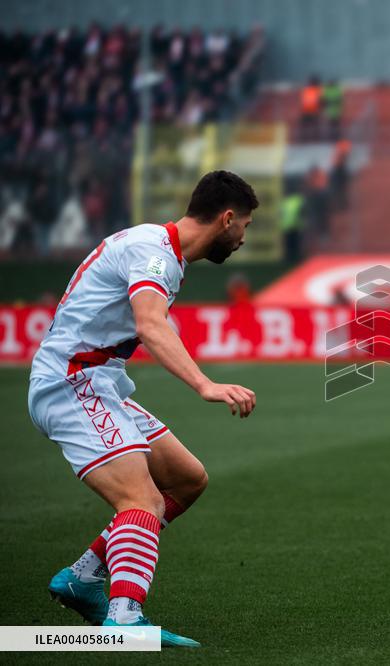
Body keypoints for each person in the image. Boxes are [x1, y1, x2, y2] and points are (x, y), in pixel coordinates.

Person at [27, 171, 260, 647]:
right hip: (70, 384)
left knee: (187, 478)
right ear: (227, 218)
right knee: (143, 500)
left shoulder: (163, 252)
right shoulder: (154, 253)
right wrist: (204, 385)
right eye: (246, 226)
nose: (243, 238)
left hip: (97, 383)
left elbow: (149, 325)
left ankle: (84, 577)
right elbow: (151, 327)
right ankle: (125, 619)